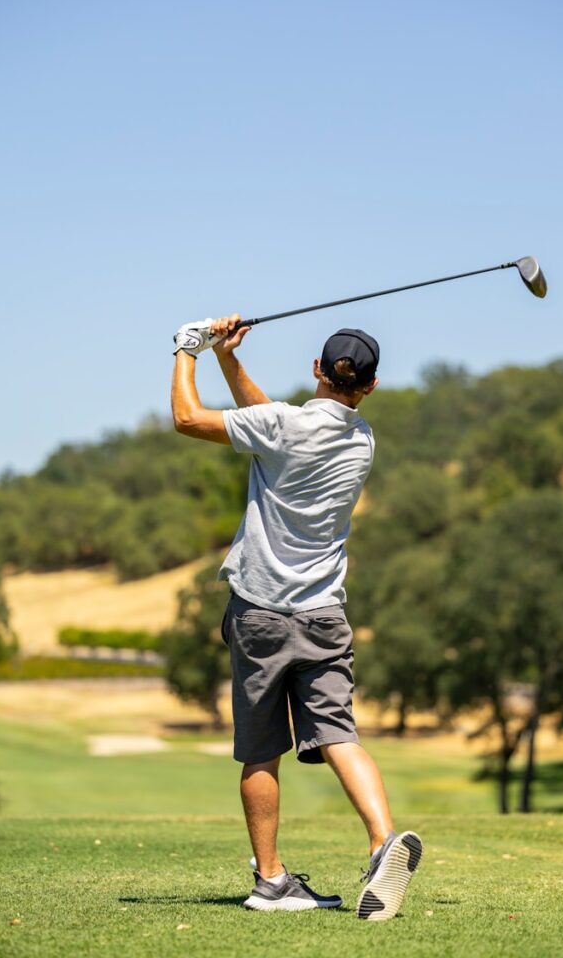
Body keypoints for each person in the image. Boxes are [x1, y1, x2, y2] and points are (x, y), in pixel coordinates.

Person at [171, 313, 422, 920]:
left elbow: (187, 418)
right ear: (370, 386)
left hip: (260, 615)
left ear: (317, 369)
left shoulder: (282, 426)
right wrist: (230, 358)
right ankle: (382, 840)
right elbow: (270, 424)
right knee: (338, 733)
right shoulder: (362, 441)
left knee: (261, 750)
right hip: (323, 615)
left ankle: (271, 880)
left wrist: (188, 349)